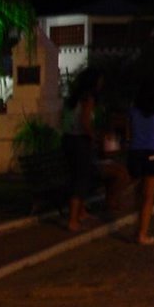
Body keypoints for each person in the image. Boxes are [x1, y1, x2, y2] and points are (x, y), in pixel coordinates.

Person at [127, 79, 154, 245]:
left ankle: (137, 229)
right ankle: (142, 233)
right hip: (153, 152)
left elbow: (129, 132)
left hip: (136, 153)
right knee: (148, 197)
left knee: (138, 193)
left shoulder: (133, 110)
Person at [62, 67, 103, 232]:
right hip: (79, 141)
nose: (101, 84)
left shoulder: (72, 98)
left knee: (76, 176)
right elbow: (85, 122)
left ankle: (81, 212)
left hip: (68, 139)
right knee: (81, 179)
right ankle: (73, 220)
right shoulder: (88, 98)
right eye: (99, 80)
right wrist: (94, 137)